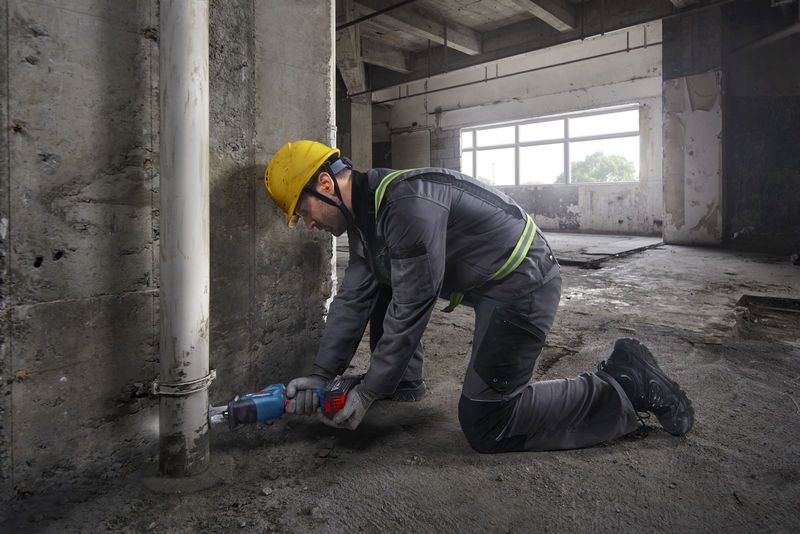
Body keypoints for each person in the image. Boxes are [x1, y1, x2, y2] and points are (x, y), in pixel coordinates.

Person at [263, 140, 694, 452]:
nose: (308, 224)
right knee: (377, 278)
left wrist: (368, 390)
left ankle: (625, 384)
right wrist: (322, 374)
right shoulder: (367, 216)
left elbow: (413, 305)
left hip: (523, 283)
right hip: (489, 282)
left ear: (325, 183)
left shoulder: (406, 207)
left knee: (488, 423)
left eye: (304, 211)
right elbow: (353, 300)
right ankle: (404, 384)